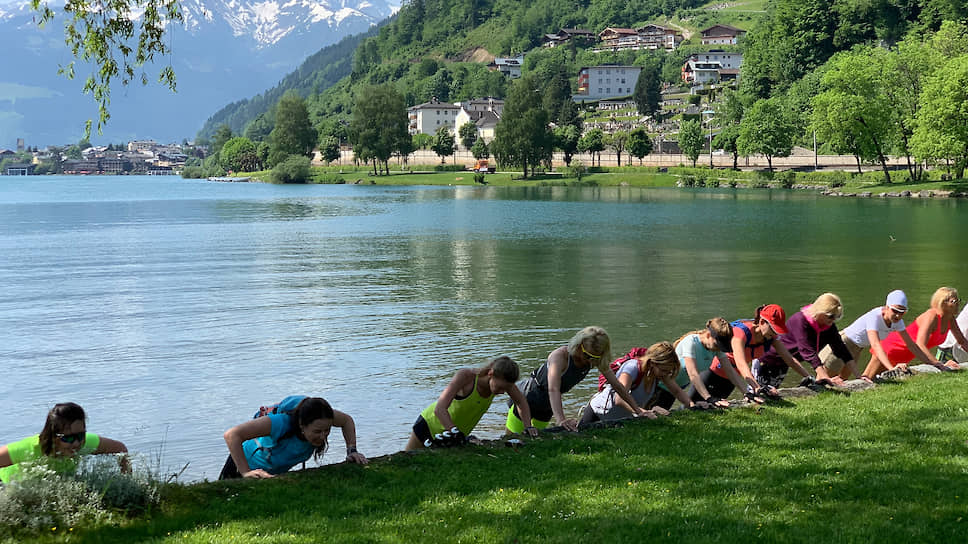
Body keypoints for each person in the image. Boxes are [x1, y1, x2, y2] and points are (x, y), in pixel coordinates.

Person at [506, 326, 651, 433]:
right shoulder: (560, 356)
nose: (589, 360)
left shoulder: (595, 359)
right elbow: (553, 388)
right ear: (579, 345)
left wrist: (638, 410)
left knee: (533, 439)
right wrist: (561, 419)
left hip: (547, 406)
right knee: (512, 438)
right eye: (587, 355)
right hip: (528, 397)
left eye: (595, 357)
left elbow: (617, 386)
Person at [406, 356, 538, 451]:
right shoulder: (466, 377)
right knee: (408, 461)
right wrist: (455, 432)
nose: (502, 392)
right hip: (428, 425)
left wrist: (528, 427)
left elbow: (521, 402)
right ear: (490, 373)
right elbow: (439, 409)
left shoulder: (504, 383)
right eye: (499, 388)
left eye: (505, 388)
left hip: (453, 436)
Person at [220, 396, 367, 479]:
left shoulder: (323, 416)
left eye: (327, 430)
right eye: (317, 431)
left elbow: (346, 421)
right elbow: (232, 435)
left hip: (272, 474)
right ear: (302, 426)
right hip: (241, 467)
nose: (323, 436)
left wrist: (352, 450)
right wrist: (246, 472)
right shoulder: (280, 423)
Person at [0, 402, 129, 484]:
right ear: (53, 436)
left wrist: (127, 483)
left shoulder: (84, 443)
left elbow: (120, 449)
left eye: (80, 435)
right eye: (68, 438)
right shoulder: (29, 449)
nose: (76, 443)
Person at [820, 290, 929, 382]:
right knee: (823, 379)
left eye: (902, 312)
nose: (897, 315)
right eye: (894, 310)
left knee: (842, 380)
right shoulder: (875, 317)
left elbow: (911, 345)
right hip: (843, 343)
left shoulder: (897, 322)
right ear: (887, 307)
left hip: (857, 347)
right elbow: (876, 345)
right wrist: (891, 368)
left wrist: (932, 363)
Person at [863, 287, 968, 380]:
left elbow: (962, 341)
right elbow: (920, 344)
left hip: (907, 355)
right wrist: (938, 364)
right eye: (954, 301)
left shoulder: (950, 319)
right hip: (891, 348)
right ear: (942, 302)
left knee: (882, 383)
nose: (958, 304)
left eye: (958, 300)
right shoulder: (931, 316)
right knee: (868, 379)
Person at [579, 341, 695, 425]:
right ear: (652, 363)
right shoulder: (632, 368)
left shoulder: (659, 373)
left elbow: (677, 391)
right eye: (664, 370)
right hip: (598, 413)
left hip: (621, 419)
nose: (665, 374)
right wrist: (643, 412)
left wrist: (692, 406)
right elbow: (619, 398)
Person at [700, 304, 798, 402]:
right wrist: (756, 387)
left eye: (777, 330)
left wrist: (808, 377)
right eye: (773, 329)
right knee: (690, 407)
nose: (775, 333)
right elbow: (741, 363)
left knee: (718, 410)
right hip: (713, 372)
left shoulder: (770, 337)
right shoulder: (741, 333)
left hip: (733, 378)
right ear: (762, 322)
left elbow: (789, 359)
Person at [753, 293, 848, 388]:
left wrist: (811, 378)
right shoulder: (800, 321)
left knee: (772, 393)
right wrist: (818, 376)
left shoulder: (826, 326)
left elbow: (791, 360)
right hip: (766, 361)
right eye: (831, 316)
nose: (833, 320)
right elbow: (806, 351)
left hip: (783, 364)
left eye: (836, 317)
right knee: (758, 392)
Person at [660, 317, 741, 409]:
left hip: (676, 389)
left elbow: (730, 370)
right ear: (708, 335)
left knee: (660, 418)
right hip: (659, 386)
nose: (718, 349)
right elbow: (693, 374)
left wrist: (747, 393)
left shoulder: (715, 346)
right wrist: (709, 398)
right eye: (717, 345)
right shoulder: (690, 342)